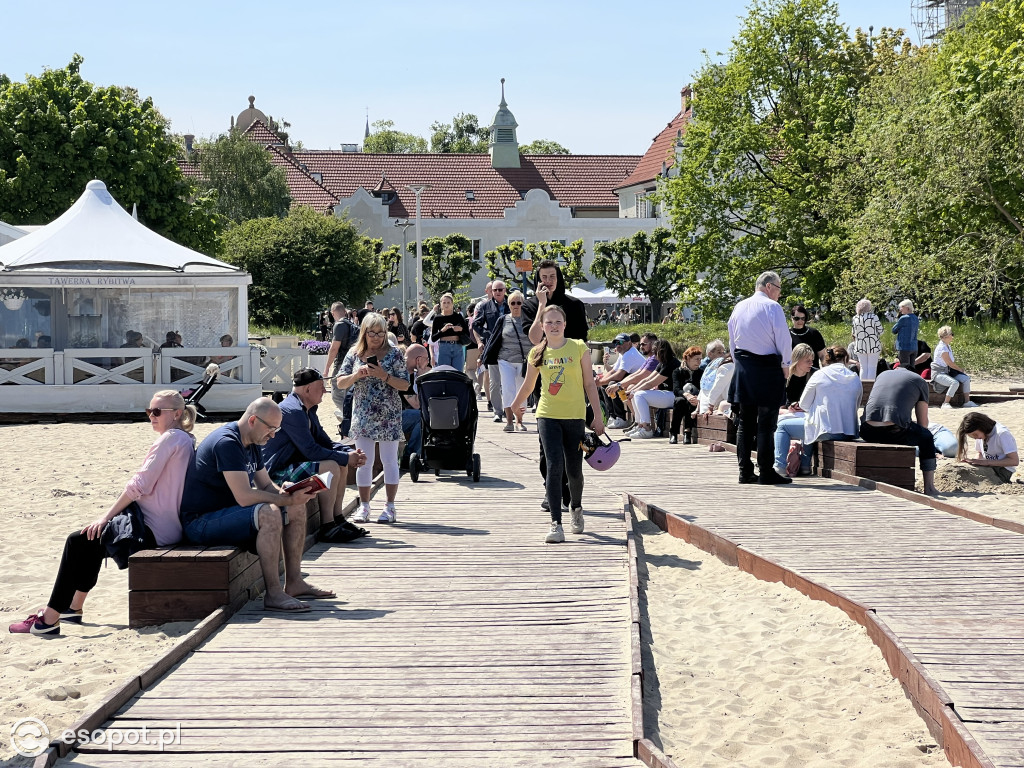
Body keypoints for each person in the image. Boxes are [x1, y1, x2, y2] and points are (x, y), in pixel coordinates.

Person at [9, 391, 196, 636]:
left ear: (177, 414)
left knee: (78, 540)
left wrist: (105, 517)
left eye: (157, 412)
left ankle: (48, 619)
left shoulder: (169, 439)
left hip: (153, 530)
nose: (151, 416)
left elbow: (139, 485)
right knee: (93, 540)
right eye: (149, 411)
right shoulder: (186, 439)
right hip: (168, 526)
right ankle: (73, 608)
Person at [180, 398, 332, 612]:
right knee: (269, 513)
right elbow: (244, 496)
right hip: (201, 522)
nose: (273, 435)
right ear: (253, 420)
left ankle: (295, 582)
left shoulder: (252, 441)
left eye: (276, 430)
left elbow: (267, 486)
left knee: (295, 506)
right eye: (271, 428)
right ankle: (274, 593)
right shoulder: (228, 442)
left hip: (228, 514)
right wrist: (284, 500)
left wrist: (290, 492)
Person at [510, 305, 606, 544]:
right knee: (554, 466)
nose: (553, 326)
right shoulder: (537, 353)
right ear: (542, 326)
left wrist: (597, 415)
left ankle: (576, 508)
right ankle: (556, 523)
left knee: (574, 470)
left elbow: (589, 384)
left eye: (557, 322)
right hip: (547, 415)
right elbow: (530, 384)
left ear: (565, 325)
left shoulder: (579, 347)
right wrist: (515, 404)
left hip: (574, 416)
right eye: (549, 322)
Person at [262, 368, 369, 542]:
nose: (325, 391)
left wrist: (349, 452)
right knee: (331, 465)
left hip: (293, 464)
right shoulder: (292, 411)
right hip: (276, 473)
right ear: (307, 389)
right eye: (321, 387)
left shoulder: (307, 410)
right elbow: (311, 450)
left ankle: (338, 519)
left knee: (339, 463)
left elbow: (325, 442)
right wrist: (345, 458)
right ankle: (327, 527)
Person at [335, 313, 411, 523]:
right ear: (364, 333)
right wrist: (357, 375)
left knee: (389, 461)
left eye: (380, 333)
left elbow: (405, 385)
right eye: (372, 333)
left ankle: (390, 507)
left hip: (389, 414)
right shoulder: (354, 353)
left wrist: (384, 376)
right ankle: (365, 506)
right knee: (363, 462)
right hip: (363, 414)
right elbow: (340, 382)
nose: (377, 337)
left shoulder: (394, 353)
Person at [727, 271, 793, 485]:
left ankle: (744, 471)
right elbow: (783, 338)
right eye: (779, 289)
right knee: (767, 422)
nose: (779, 294)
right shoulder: (772, 307)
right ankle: (765, 471)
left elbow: (732, 339)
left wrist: (740, 366)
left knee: (745, 422)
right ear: (769, 286)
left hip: (744, 367)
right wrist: (786, 365)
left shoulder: (739, 306)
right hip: (766, 367)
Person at [773, 345, 862, 477]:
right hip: (849, 431)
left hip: (826, 430)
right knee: (811, 423)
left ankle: (780, 467)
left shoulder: (819, 375)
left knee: (784, 427)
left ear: (826, 359)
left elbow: (804, 404)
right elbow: (857, 404)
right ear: (846, 359)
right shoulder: (855, 377)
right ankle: (804, 466)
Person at [860, 367, 939, 496]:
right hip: (893, 431)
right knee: (926, 437)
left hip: (867, 430)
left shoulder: (882, 374)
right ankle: (929, 487)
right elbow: (923, 423)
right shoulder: (919, 380)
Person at [481, 289, 530, 432]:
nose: (516, 305)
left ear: (523, 304)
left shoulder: (528, 320)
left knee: (522, 391)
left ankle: (519, 421)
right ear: (509, 304)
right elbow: (494, 339)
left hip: (524, 361)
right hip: (505, 360)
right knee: (508, 389)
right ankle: (509, 421)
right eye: (513, 302)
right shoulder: (503, 320)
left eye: (519, 302)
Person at [625, 340, 681, 439]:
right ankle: (640, 425)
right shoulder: (662, 363)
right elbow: (647, 379)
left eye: (655, 353)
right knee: (636, 393)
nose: (654, 356)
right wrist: (631, 390)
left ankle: (647, 429)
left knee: (639, 394)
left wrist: (633, 391)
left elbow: (652, 383)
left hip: (675, 396)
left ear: (660, 352)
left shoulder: (671, 363)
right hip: (667, 394)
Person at [472, 279, 510, 421]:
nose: (498, 292)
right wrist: (487, 335)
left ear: (505, 290)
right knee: (494, 381)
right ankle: (498, 411)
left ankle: (509, 409)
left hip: (509, 346)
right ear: (491, 291)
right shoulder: (486, 306)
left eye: (500, 289)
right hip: (493, 346)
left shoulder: (512, 304)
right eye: (495, 290)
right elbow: (476, 324)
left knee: (509, 381)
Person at [597, 333, 645, 429]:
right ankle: (613, 416)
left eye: (621, 342)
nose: (618, 345)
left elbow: (619, 376)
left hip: (640, 382)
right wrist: (601, 381)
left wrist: (600, 382)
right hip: (631, 380)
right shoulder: (623, 354)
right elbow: (613, 371)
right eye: (615, 343)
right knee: (604, 386)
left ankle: (621, 418)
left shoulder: (630, 354)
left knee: (613, 384)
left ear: (629, 343)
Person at [956, 412, 1019, 483]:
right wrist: (973, 462)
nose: (976, 438)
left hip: (1003, 469)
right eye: (972, 437)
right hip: (989, 465)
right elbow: (980, 453)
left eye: (975, 434)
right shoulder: (981, 434)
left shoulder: (1002, 434)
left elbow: (1014, 461)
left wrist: (987, 462)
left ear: (982, 426)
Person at [400, 344, 432, 465]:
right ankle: (409, 457)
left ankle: (423, 454)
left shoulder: (412, 374)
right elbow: (417, 404)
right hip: (392, 417)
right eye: (426, 359)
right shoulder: (402, 374)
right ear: (418, 360)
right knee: (422, 417)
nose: (428, 362)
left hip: (402, 415)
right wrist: (423, 377)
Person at [931, 326, 977, 409]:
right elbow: (949, 363)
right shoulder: (942, 348)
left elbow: (951, 364)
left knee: (966, 379)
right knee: (954, 383)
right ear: (946, 336)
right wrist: (960, 370)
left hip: (948, 372)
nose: (952, 336)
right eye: (951, 334)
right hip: (939, 373)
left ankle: (967, 401)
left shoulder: (948, 346)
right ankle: (945, 403)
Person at [668, 345, 706, 444]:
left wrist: (698, 397)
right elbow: (676, 389)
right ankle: (674, 433)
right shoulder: (678, 371)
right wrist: (687, 395)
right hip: (682, 397)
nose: (699, 362)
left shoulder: (701, 373)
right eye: (696, 359)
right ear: (688, 358)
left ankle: (687, 432)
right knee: (679, 401)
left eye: (700, 359)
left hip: (695, 399)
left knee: (691, 402)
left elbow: (704, 388)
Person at [431, 293, 468, 371]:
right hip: (444, 346)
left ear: (452, 304)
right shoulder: (438, 318)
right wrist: (442, 331)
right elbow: (433, 338)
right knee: (445, 373)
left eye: (448, 302)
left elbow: (467, 333)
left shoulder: (458, 316)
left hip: (457, 346)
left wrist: (460, 329)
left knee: (458, 373)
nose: (446, 305)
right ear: (440, 304)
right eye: (444, 303)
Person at [851, 298, 883, 382]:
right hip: (873, 344)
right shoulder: (873, 317)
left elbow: (853, 333)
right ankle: (870, 388)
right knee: (872, 367)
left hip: (860, 345)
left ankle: (863, 388)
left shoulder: (855, 318)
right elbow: (881, 330)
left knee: (863, 367)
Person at [892, 299, 919, 370]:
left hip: (904, 347)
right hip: (914, 347)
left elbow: (894, 330)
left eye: (902, 307)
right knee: (912, 368)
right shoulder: (916, 318)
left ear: (907, 308)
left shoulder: (904, 318)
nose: (900, 309)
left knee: (904, 368)